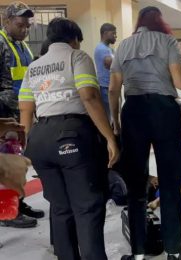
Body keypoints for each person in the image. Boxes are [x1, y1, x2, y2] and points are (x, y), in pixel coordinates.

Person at [109, 6, 181, 260]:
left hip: (133, 111)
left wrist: (115, 122)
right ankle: (173, 251)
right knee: (170, 184)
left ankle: (138, 252)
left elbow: (114, 89)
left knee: (136, 186)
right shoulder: (168, 41)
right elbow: (180, 83)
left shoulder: (124, 45)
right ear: (160, 21)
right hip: (163, 111)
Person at [18, 17, 119, 260]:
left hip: (40, 139)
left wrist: (26, 146)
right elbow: (89, 97)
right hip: (71, 135)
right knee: (87, 207)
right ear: (74, 39)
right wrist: (110, 138)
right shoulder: (77, 56)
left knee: (61, 208)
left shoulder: (34, 66)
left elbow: (25, 110)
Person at [0, 0, 44, 228]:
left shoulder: (23, 46)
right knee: (6, 165)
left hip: (20, 116)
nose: (25, 30)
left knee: (19, 163)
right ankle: (7, 213)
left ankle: (18, 202)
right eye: (20, 25)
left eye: (28, 26)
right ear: (6, 21)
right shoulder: (0, 43)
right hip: (4, 119)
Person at [94, 23, 117, 119]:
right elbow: (112, 65)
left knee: (113, 114)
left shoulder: (109, 49)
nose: (116, 36)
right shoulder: (102, 49)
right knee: (109, 116)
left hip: (110, 86)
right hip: (106, 88)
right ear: (105, 33)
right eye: (113, 33)